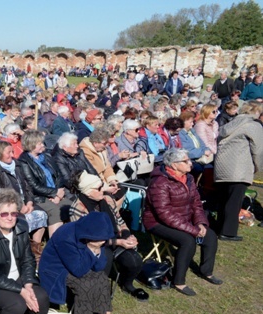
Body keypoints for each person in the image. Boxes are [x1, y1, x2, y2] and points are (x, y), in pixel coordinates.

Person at [39, 212, 127, 314]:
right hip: (57, 269)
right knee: (85, 283)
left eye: (104, 240)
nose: (102, 242)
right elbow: (78, 271)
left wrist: (96, 250)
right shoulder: (66, 236)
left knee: (102, 279)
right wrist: (91, 248)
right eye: (99, 240)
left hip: (79, 264)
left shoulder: (98, 236)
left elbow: (99, 266)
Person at [143, 148, 222, 296]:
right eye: (185, 161)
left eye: (189, 160)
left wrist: (200, 223)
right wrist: (192, 230)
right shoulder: (160, 182)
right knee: (187, 241)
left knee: (210, 236)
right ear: (173, 165)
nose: (190, 163)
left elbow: (196, 204)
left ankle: (206, 271)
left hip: (182, 219)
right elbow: (164, 214)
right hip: (156, 222)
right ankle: (178, 281)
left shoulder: (189, 179)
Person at [69, 171, 148, 301]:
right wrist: (118, 242)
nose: (103, 189)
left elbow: (118, 220)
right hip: (92, 245)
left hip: (114, 238)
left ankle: (127, 284)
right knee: (106, 257)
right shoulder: (78, 208)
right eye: (99, 188)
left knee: (135, 260)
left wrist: (127, 235)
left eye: (102, 186)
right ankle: (97, 293)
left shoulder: (107, 199)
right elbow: (87, 239)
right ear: (88, 191)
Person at [0, 141, 48, 260]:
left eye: (12, 152)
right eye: (8, 152)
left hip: (26, 203)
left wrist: (29, 202)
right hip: (11, 206)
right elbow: (2, 193)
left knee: (42, 215)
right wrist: (19, 206)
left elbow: (27, 186)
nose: (12, 155)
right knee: (22, 221)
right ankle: (24, 252)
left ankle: (36, 249)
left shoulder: (17, 165)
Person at [214, 101, 263, 241]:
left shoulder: (231, 123)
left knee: (224, 199)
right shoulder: (253, 125)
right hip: (239, 167)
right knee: (234, 201)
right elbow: (258, 150)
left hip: (222, 166)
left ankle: (219, 227)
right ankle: (228, 232)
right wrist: (258, 167)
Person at [16, 130, 71, 237]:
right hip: (38, 196)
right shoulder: (24, 162)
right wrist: (54, 193)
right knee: (55, 211)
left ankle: (71, 239)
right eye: (39, 143)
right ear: (31, 145)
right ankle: (55, 245)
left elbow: (58, 175)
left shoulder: (46, 156)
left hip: (55, 193)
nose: (43, 145)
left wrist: (58, 193)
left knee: (72, 206)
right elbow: (33, 185)